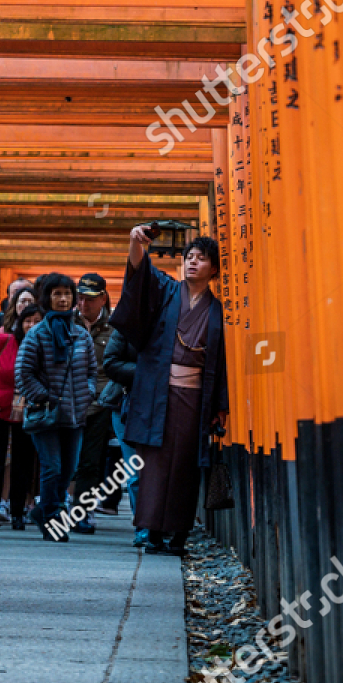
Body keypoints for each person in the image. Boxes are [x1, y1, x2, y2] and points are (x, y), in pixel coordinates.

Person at [111, 226, 229, 556]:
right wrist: (136, 244)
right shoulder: (165, 291)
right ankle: (152, 532)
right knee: (155, 465)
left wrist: (221, 405)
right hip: (160, 396)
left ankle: (178, 532)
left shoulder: (218, 311)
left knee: (185, 467)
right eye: (189, 257)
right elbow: (140, 275)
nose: (192, 262)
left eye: (201, 259)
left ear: (214, 269)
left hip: (196, 397)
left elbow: (222, 363)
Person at [14, 274, 98, 542]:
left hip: (75, 414)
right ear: (47, 298)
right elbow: (23, 373)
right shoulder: (37, 333)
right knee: (52, 467)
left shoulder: (81, 335)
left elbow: (93, 371)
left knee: (69, 469)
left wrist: (87, 393)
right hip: (46, 413)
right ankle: (51, 518)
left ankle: (44, 510)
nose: (63, 299)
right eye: (57, 294)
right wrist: (45, 397)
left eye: (67, 294)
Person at [0, 304, 41, 530]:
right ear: (20, 321)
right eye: (28, 320)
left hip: (27, 410)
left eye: (37, 321)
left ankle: (17, 513)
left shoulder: (42, 347)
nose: (32, 326)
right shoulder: (4, 340)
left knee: (21, 463)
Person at [68, 272, 115, 534]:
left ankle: (81, 512)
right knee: (65, 460)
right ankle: (57, 506)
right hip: (68, 403)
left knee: (90, 461)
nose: (84, 304)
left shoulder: (115, 328)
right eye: (81, 298)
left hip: (99, 404)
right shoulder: (65, 324)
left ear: (103, 299)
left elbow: (118, 365)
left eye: (90, 299)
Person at [100, 326, 147, 548]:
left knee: (156, 470)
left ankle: (158, 524)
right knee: (135, 471)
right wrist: (147, 371)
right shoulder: (127, 324)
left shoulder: (172, 319)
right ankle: (142, 526)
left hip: (162, 405)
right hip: (125, 404)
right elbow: (110, 362)